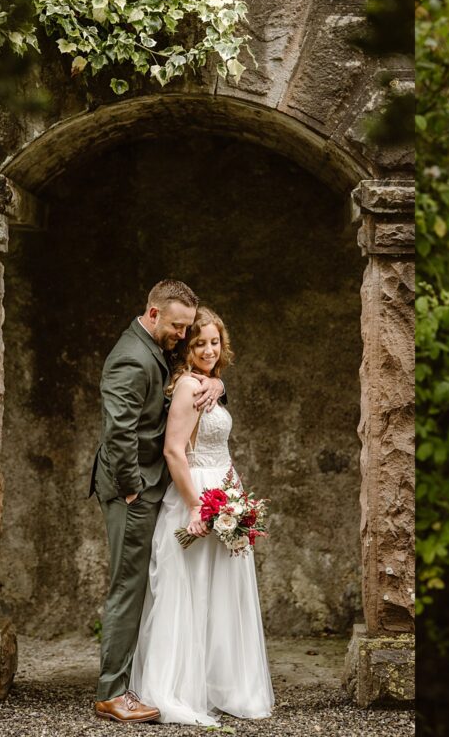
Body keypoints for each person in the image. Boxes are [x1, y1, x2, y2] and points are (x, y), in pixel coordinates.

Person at [129, 306, 275, 725]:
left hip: (224, 491)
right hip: (195, 495)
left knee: (223, 594)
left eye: (214, 342)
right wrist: (196, 504)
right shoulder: (189, 387)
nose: (208, 349)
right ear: (186, 347)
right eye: (199, 343)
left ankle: (220, 684)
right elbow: (174, 450)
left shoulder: (209, 383)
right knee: (187, 592)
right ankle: (177, 687)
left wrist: (234, 499)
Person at [90, 280, 224, 723]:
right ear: (152, 314)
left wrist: (216, 385)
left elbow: (188, 376)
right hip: (133, 490)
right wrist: (132, 487)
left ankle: (130, 681)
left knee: (139, 584)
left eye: (187, 327)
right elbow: (118, 432)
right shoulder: (130, 357)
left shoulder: (153, 347)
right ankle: (112, 693)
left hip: (147, 487)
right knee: (127, 587)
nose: (182, 336)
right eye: (177, 326)